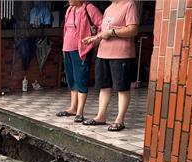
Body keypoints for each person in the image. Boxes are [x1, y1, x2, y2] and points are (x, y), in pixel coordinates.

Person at [82, 0, 139, 131]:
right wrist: (94, 38)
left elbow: (133, 29)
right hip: (103, 53)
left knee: (122, 87)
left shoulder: (129, 5)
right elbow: (104, 32)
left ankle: (120, 119)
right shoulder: (108, 9)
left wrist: (112, 33)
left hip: (121, 54)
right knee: (104, 86)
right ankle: (101, 116)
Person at [57, 0, 102, 123]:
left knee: (81, 79)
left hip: (81, 50)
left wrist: (94, 39)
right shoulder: (69, 10)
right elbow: (66, 29)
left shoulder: (89, 8)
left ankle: (80, 111)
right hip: (67, 49)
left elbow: (102, 24)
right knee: (71, 79)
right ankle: (72, 107)